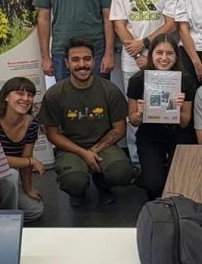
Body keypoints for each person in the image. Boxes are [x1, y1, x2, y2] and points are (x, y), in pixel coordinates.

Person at [109, 0, 182, 165]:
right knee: (136, 110)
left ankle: (166, 160)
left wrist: (146, 45)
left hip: (162, 59)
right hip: (132, 61)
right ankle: (137, 162)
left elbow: (171, 24)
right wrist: (139, 54)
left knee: (165, 107)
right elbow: (119, 24)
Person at [39, 37, 135, 206]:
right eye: (75, 60)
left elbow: (119, 129)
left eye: (87, 59)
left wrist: (93, 151)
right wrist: (84, 153)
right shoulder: (54, 94)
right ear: (67, 63)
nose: (82, 64)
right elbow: (52, 134)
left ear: (94, 61)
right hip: (70, 148)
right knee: (74, 181)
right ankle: (78, 191)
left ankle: (102, 183)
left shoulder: (110, 90)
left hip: (104, 146)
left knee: (122, 172)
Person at [126, 34, 196, 199]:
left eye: (169, 53)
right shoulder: (137, 81)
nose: (164, 58)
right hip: (149, 136)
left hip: (178, 135)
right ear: (151, 55)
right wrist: (141, 112)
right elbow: (133, 121)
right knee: (154, 185)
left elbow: (185, 122)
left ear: (176, 57)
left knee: (177, 184)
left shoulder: (185, 80)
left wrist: (176, 109)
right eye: (159, 53)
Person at [0, 77, 46, 222]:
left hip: (6, 181)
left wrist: (28, 188)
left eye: (30, 95)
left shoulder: (32, 123)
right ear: (6, 96)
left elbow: (26, 158)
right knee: (11, 175)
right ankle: (4, 221)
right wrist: (31, 161)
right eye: (20, 93)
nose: (26, 98)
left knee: (35, 210)